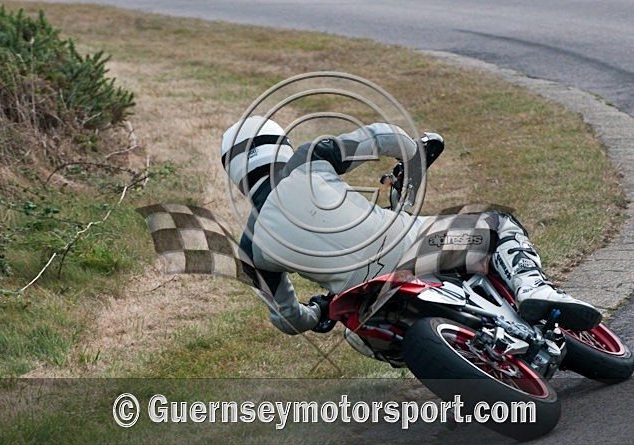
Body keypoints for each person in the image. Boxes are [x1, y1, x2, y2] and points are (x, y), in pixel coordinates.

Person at [220, 116, 602, 335]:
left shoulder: (250, 249)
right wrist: (412, 149)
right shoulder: (308, 160)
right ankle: (534, 289)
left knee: (362, 337)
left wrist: (318, 314)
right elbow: (380, 136)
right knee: (497, 224)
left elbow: (287, 319)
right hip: (411, 249)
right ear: (282, 145)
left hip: (361, 304)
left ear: (237, 178)